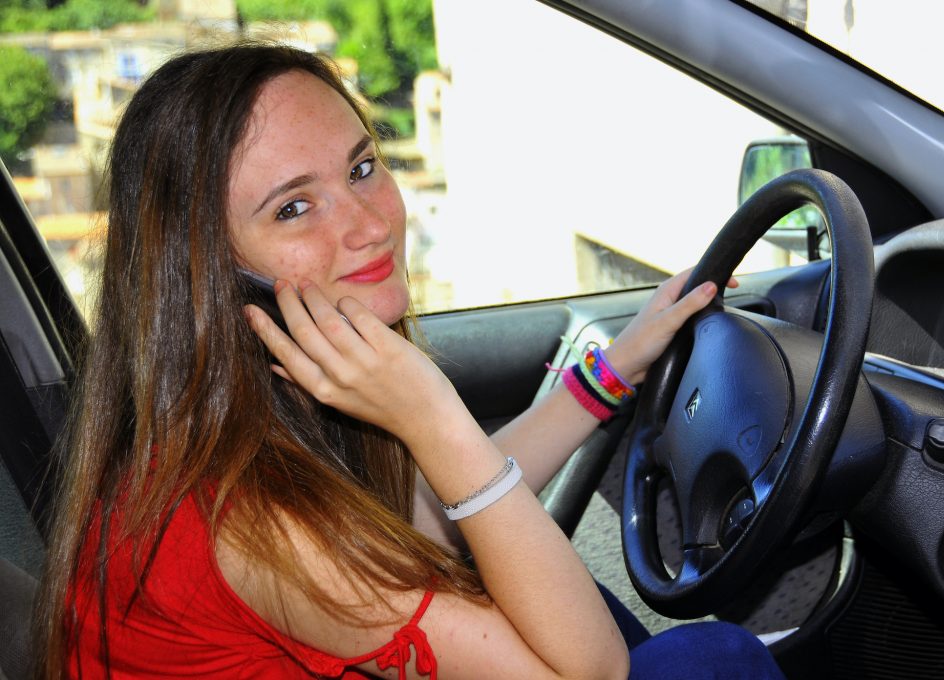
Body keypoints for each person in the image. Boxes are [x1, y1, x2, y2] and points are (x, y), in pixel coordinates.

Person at [33, 43, 785, 679]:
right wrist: (430, 413)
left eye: (361, 168)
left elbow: (436, 519)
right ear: (210, 279)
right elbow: (588, 673)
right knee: (715, 659)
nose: (371, 224)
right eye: (293, 207)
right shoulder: (243, 520)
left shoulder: (273, 414)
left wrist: (612, 371)